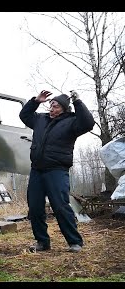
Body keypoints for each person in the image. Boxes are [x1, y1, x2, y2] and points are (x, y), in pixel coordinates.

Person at [19, 90, 95, 253]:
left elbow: (88, 123)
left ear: (64, 109)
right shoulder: (40, 119)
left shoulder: (72, 122)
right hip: (37, 170)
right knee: (35, 207)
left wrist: (78, 102)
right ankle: (42, 242)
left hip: (57, 170)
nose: (52, 107)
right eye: (51, 104)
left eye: (56, 105)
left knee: (60, 206)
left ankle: (75, 242)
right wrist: (36, 101)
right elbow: (24, 115)